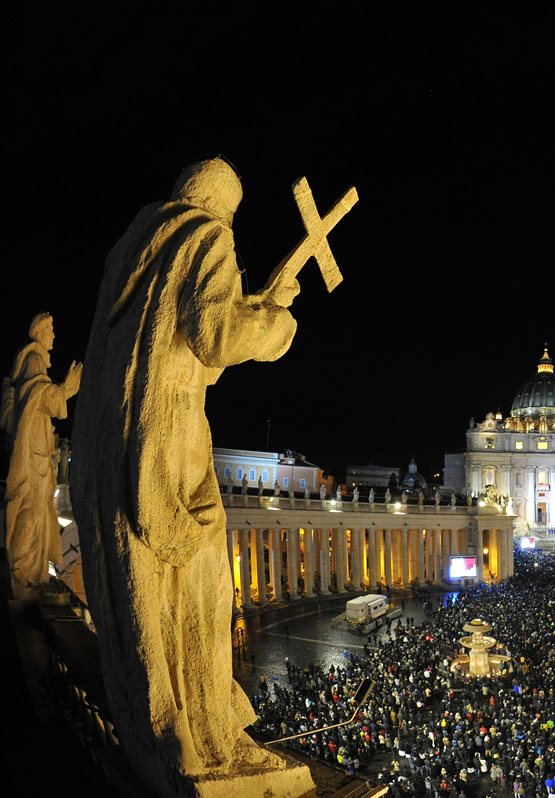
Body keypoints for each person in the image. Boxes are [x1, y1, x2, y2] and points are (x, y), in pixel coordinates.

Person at [72, 158, 310, 795]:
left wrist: (254, 299)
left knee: (146, 594)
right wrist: (276, 323)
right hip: (169, 444)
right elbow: (213, 335)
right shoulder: (207, 236)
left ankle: (163, 728)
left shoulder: (134, 251)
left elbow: (180, 348)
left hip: (119, 445)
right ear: (222, 207)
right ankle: (203, 737)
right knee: (200, 589)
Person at [3, 313, 81, 597]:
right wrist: (67, 389)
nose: (54, 336)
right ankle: (23, 573)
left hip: (35, 449)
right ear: (40, 332)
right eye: (51, 331)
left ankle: (27, 573)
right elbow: (41, 395)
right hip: (32, 454)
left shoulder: (31, 361)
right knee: (31, 510)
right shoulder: (34, 359)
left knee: (33, 509)